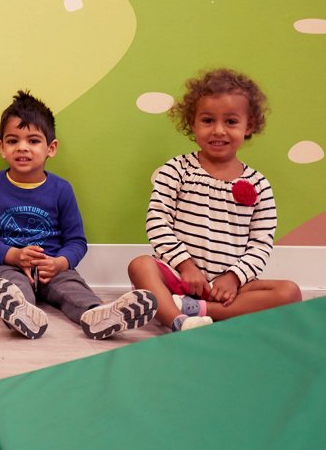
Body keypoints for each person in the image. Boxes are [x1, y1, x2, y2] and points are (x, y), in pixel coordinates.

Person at [0, 90, 157, 340]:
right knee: (8, 285)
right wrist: (14, 255)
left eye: (33, 141)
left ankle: (97, 315)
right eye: (13, 140)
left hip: (53, 266)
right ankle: (20, 313)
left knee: (73, 288)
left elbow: (76, 242)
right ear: (2, 148)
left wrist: (59, 263)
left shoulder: (61, 190)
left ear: (51, 148)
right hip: (8, 265)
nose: (23, 148)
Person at [128, 69, 301, 331]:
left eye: (231, 122)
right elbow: (157, 221)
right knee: (139, 265)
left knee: (290, 293)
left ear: (249, 125)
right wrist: (185, 266)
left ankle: (197, 310)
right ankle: (178, 322)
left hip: (231, 288)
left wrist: (233, 277)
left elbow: (261, 243)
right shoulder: (177, 169)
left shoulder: (259, 184)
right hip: (177, 277)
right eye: (207, 120)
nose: (218, 131)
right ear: (193, 123)